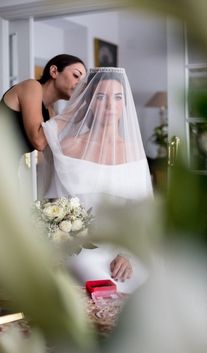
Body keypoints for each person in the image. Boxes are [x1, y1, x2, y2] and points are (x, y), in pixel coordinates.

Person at [41, 67, 153, 291]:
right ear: (89, 102)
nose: (111, 105)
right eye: (101, 97)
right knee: (98, 282)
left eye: (118, 97)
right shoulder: (69, 146)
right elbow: (52, 203)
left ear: (125, 103)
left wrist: (127, 254)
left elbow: (144, 213)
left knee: (147, 283)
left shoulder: (134, 152)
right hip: (82, 249)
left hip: (125, 248)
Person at [0, 54, 87, 164]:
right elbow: (39, 142)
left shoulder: (51, 113)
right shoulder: (31, 86)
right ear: (54, 71)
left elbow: (58, 152)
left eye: (83, 83)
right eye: (76, 75)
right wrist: (73, 110)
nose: (80, 85)